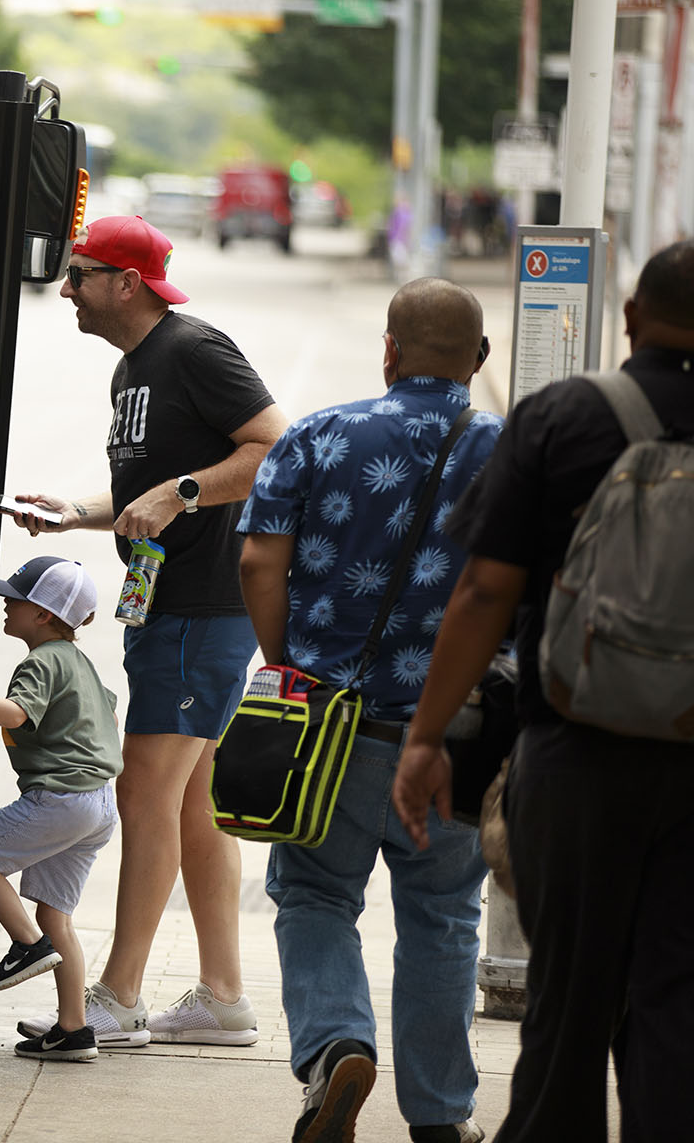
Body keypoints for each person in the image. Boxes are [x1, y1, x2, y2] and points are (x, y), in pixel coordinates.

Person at [393, 240, 694, 1142]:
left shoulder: (567, 416)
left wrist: (427, 737)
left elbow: (484, 590)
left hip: (579, 752)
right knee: (677, 999)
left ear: (632, 318)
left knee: (567, 998)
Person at [9, 215, 286, 1047]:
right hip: (167, 609)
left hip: (203, 610)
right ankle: (224, 999)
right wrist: (75, 513)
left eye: (81, 276)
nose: (66, 291)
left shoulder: (195, 349)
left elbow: (273, 448)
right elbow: (143, 497)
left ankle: (120, 994)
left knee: (142, 790)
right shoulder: (133, 368)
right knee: (193, 805)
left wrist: (185, 493)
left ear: (127, 283)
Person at [237, 278, 501, 1143]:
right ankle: (438, 1115)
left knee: (314, 894)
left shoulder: (320, 434)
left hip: (329, 730)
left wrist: (288, 669)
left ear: (388, 349)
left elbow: (256, 564)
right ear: (482, 360)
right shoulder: (511, 453)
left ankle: (336, 1049)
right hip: (457, 737)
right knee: (445, 916)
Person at [0, 556, 122, 1062]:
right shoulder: (79, 663)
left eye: (13, 598)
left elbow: (17, 713)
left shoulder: (41, 661)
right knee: (57, 915)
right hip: (99, 803)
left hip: (62, 799)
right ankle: (74, 1031)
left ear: (43, 614)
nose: (4, 604)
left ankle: (26, 946)